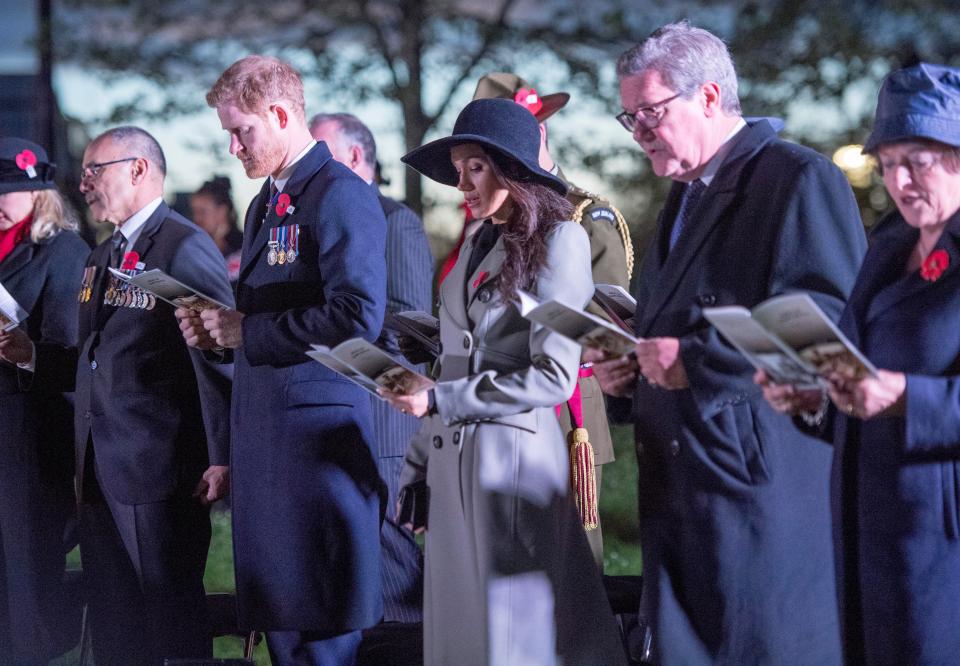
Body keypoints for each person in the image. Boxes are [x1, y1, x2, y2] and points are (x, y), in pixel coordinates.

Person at [591, 22, 867, 664]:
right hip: (682, 492)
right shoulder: (683, 196)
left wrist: (696, 361)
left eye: (650, 113)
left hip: (755, 495)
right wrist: (629, 371)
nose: (638, 133)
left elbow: (827, 327)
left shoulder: (797, 180)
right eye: (627, 117)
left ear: (710, 97)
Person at [385, 97, 625, 665]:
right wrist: (416, 466)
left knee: (516, 641)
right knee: (459, 640)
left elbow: (553, 376)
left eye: (476, 167)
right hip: (454, 463)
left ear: (512, 169)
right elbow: (452, 359)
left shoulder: (562, 241)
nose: (462, 183)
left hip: (513, 467)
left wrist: (441, 398)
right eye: (459, 169)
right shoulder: (475, 242)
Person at [757, 62, 960, 665]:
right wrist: (815, 398)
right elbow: (860, 369)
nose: (899, 179)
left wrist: (903, 398)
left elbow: (895, 389)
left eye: (917, 160)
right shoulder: (889, 243)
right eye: (888, 162)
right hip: (866, 523)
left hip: (942, 539)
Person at [192, 55, 387, 665]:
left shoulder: (340, 195)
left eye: (241, 130)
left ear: (279, 115)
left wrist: (249, 330)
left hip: (314, 463)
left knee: (320, 642)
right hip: (273, 457)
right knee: (286, 638)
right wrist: (223, 335)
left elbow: (359, 316)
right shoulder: (265, 203)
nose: (232, 148)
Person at [39, 126, 233, 665]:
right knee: (114, 622)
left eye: (95, 171)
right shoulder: (102, 253)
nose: (85, 183)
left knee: (170, 619)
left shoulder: (182, 245)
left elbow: (216, 357)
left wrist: (222, 456)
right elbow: (93, 354)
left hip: (158, 470)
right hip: (99, 469)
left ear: (139, 169)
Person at [471, 71, 633, 565]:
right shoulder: (490, 223)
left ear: (537, 132)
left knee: (568, 565)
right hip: (495, 407)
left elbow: (605, 324)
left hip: (564, 411)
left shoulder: (584, 216)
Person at [310, 111, 431, 623]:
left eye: (321, 152)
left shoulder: (393, 219)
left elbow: (406, 321)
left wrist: (322, 325)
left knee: (391, 583)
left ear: (355, 156)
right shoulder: (313, 217)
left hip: (381, 425)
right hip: (328, 415)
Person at [0, 137, 88, 664]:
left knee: (27, 568)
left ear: (40, 195)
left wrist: (24, 349)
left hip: (28, 431)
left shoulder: (61, 251)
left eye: (12, 190)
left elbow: (67, 348)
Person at [191, 175, 243, 283]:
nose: (197, 219)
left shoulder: (244, 246)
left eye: (202, 212)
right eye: (194, 212)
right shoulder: (195, 247)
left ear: (222, 211)